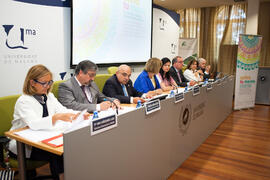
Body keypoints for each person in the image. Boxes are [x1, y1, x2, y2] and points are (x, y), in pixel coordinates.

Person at [8, 64, 89, 180]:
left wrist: (77, 114)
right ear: (32, 83)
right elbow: (34, 124)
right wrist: (56, 117)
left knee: (67, 148)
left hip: (44, 137)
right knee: (57, 154)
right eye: (43, 83)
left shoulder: (49, 96)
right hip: (24, 145)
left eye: (49, 82)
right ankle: (61, 177)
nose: (47, 86)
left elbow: (63, 110)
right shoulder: (23, 101)